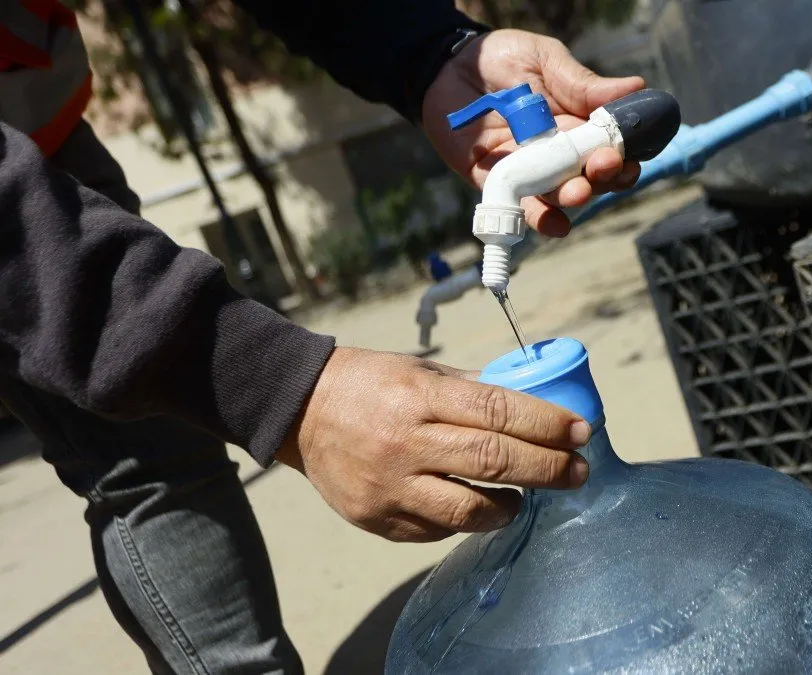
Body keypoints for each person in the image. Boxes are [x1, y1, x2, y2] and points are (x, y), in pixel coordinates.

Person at [0, 1, 644, 672]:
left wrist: (430, 48)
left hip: (42, 119)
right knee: (137, 451)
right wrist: (287, 391)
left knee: (163, 449)